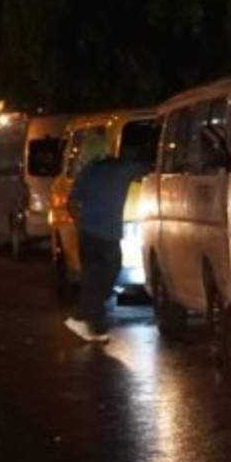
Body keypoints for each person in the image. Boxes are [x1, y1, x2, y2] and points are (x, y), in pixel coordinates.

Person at [64, 135, 152, 343]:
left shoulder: (87, 171)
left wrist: (80, 223)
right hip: (108, 234)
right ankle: (79, 316)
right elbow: (146, 168)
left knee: (92, 279)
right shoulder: (120, 169)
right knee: (108, 276)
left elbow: (72, 203)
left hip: (87, 234)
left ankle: (98, 328)